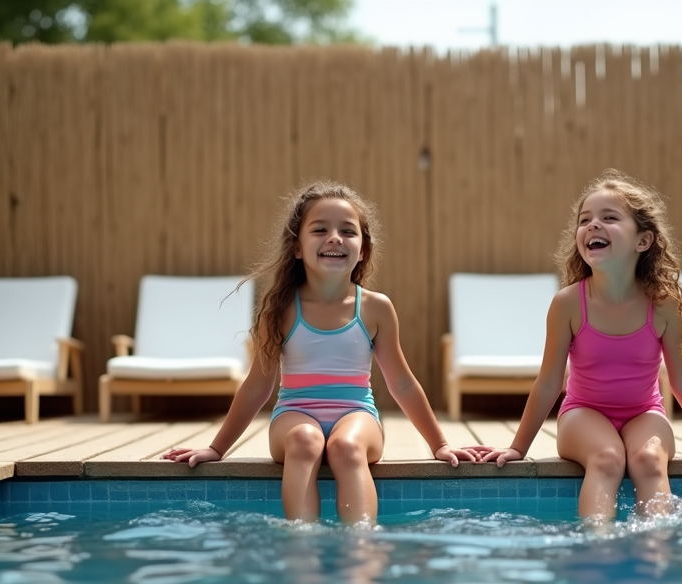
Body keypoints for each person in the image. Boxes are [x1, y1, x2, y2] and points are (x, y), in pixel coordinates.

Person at [164, 181, 481, 524]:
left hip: (357, 414)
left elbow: (402, 383)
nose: (334, 238)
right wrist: (216, 448)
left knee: (347, 446)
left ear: (363, 250)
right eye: (320, 230)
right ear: (297, 248)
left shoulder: (375, 308)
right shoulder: (281, 310)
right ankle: (302, 540)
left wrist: (439, 445)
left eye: (348, 231)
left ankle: (362, 541)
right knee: (305, 441)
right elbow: (257, 386)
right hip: (293, 415)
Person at [481, 170, 682, 521]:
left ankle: (655, 544)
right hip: (582, 413)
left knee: (649, 460)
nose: (593, 225)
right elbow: (548, 383)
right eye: (584, 220)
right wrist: (517, 447)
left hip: (645, 412)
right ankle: (597, 544)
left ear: (643, 240)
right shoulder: (569, 304)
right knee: (607, 457)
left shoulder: (663, 306)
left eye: (609, 218)